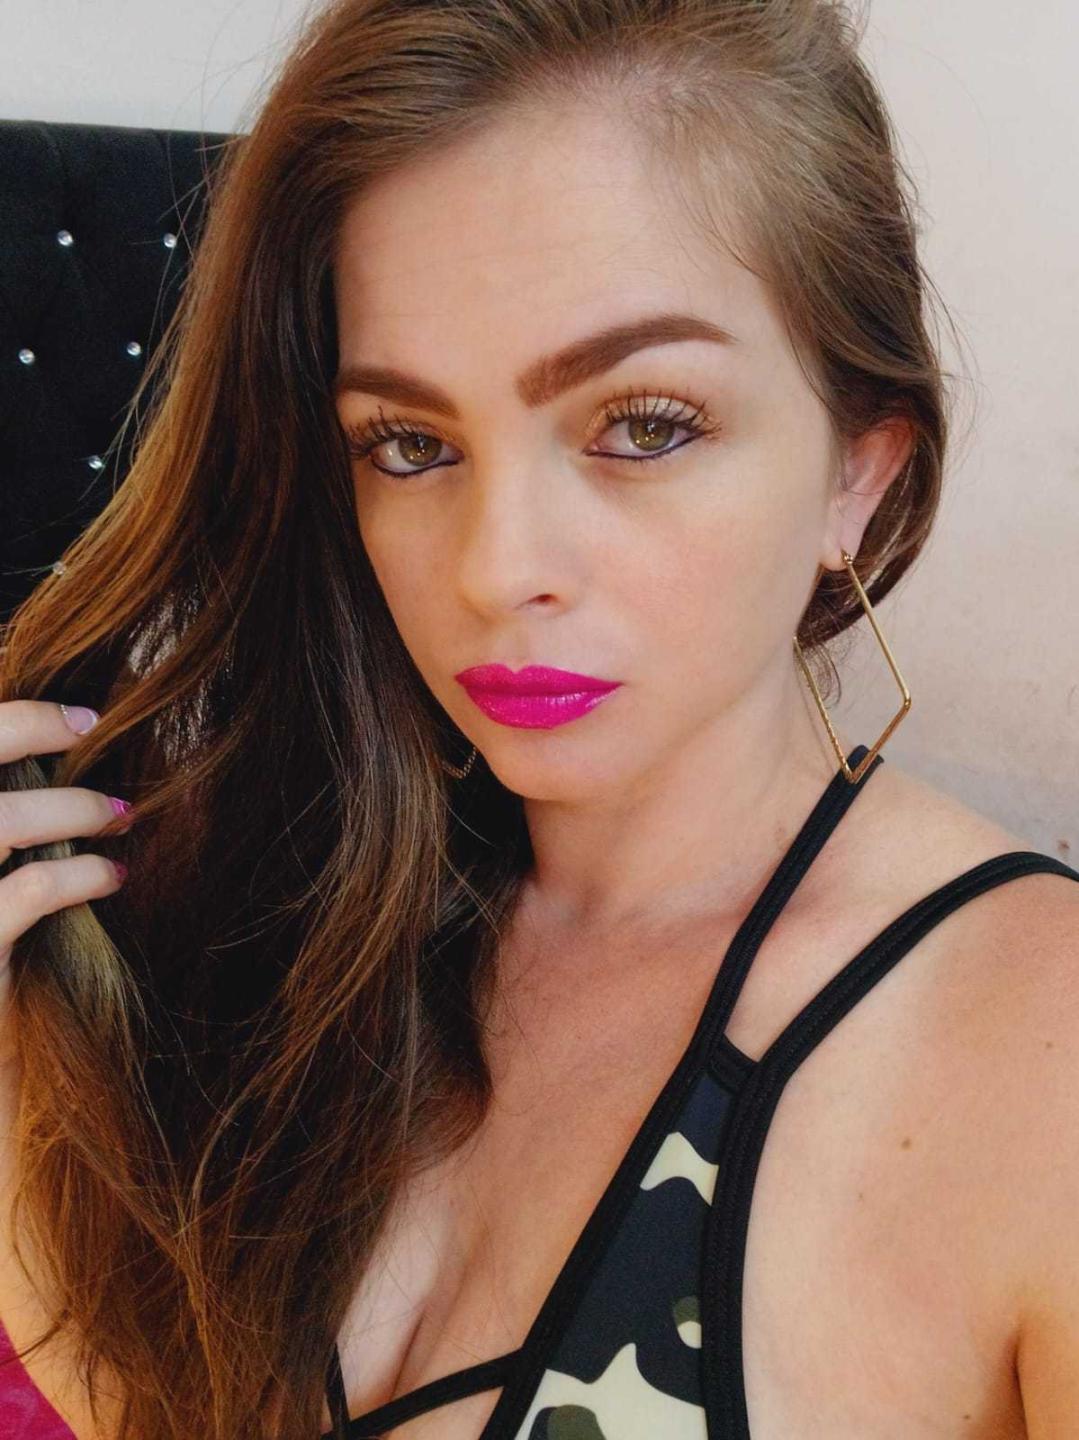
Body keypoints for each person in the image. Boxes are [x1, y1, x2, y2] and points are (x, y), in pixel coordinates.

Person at [1, 0, 1077, 1436]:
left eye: (644, 423)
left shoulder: (1037, 1053)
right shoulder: (281, 919)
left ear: (856, 475)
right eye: (410, 443)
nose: (495, 569)